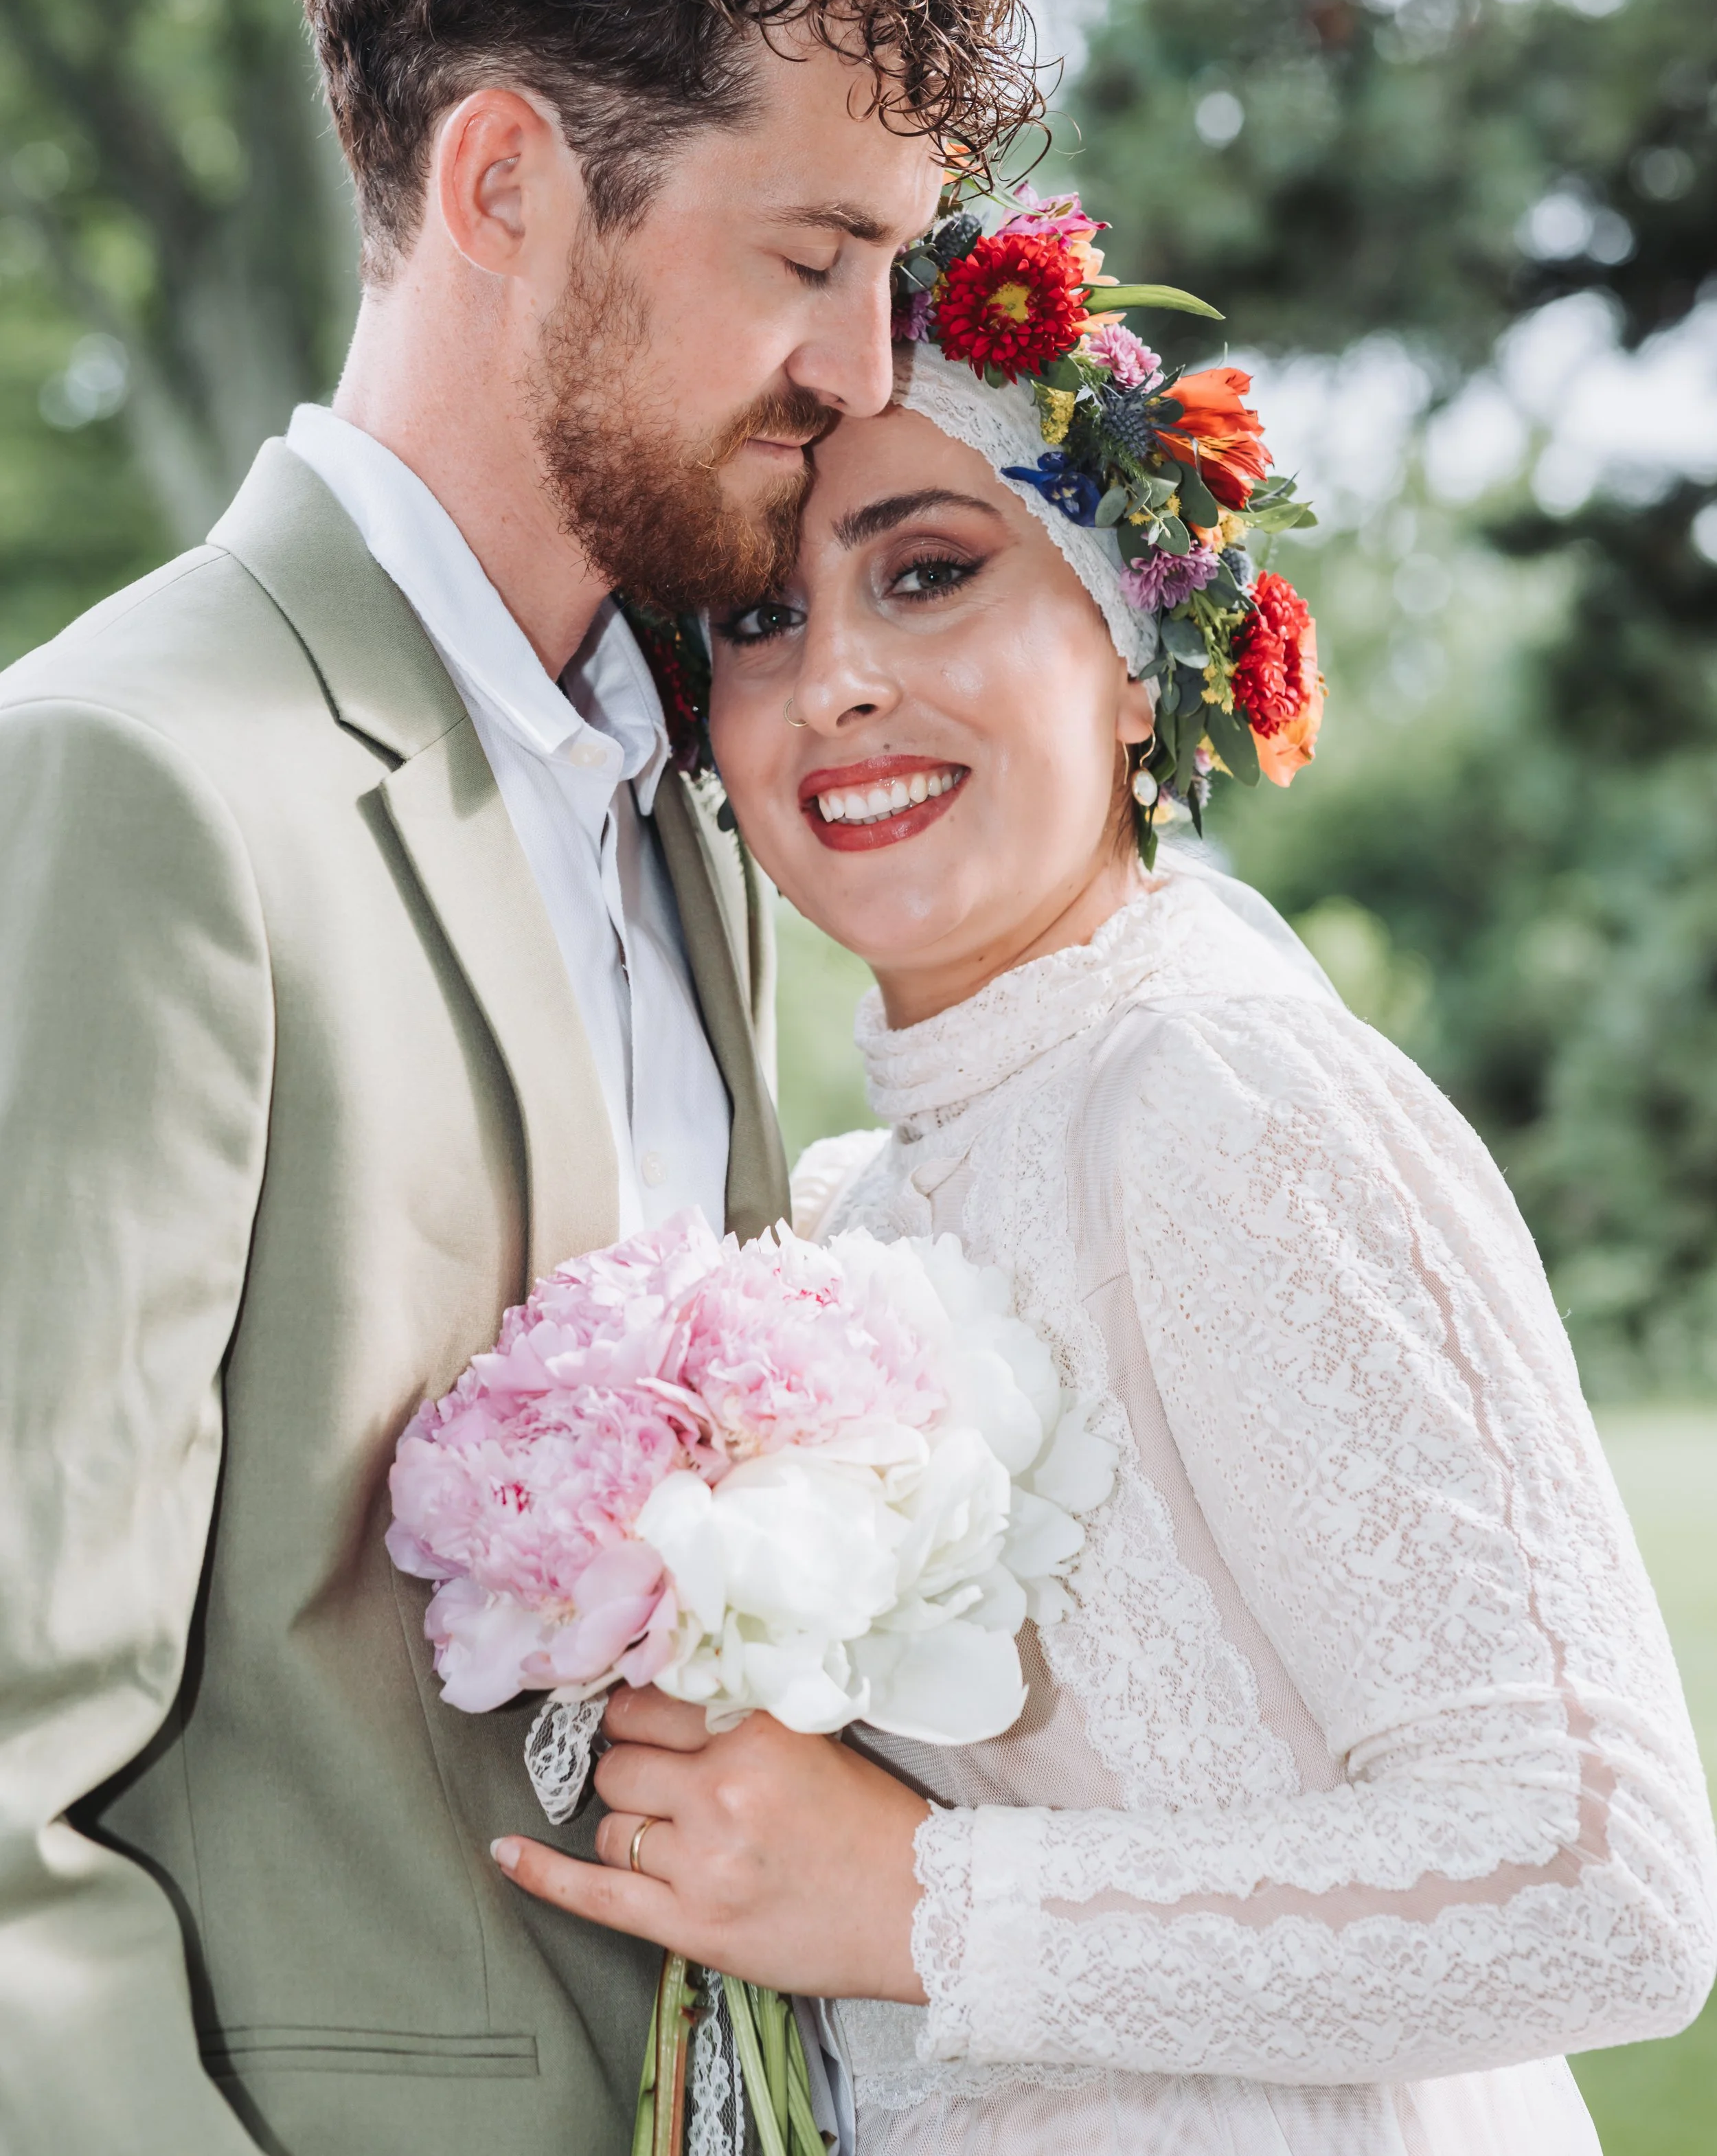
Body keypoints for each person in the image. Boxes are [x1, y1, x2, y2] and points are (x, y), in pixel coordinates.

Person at [0, 0, 1037, 2156]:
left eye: (893, 266)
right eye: (811, 252)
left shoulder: (693, 796)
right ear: (501, 184)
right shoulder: (132, 781)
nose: (861, 366)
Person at [494, 202, 1717, 2154]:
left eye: (928, 572)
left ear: (1134, 647)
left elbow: (1599, 1880)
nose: (834, 688)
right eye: (759, 617)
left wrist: (913, 1900)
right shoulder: (856, 1204)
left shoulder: (1214, 1088)